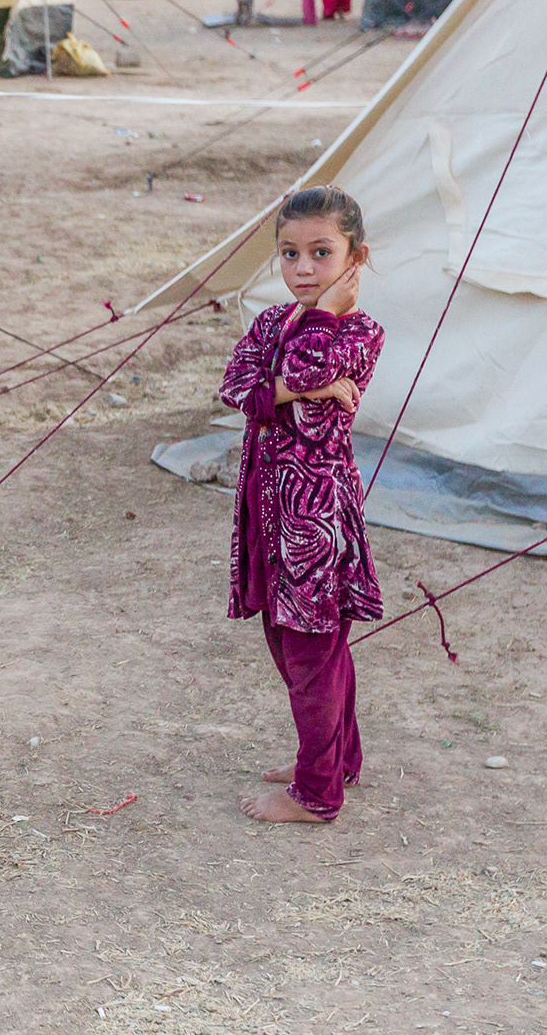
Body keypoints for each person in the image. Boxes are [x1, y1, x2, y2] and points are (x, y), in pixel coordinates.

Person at [218, 187, 383, 824]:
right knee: (292, 646)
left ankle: (316, 795)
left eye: (321, 253)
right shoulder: (268, 323)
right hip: (266, 517)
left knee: (311, 653)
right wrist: (288, 388)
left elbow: (313, 417)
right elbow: (237, 387)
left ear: (355, 258)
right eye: (290, 254)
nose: (304, 269)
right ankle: (334, 757)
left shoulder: (359, 331)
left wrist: (312, 340)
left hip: (312, 525)